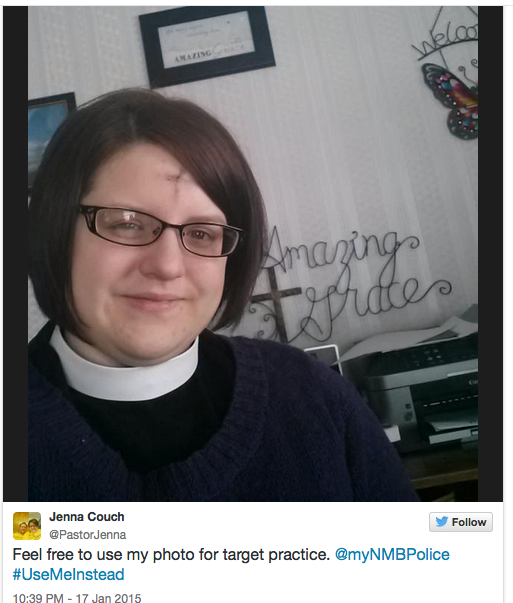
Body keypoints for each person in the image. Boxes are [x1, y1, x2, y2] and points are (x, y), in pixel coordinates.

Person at [28, 88, 418, 502]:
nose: (168, 266)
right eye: (127, 223)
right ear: (55, 232)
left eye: (201, 233)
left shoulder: (313, 395)